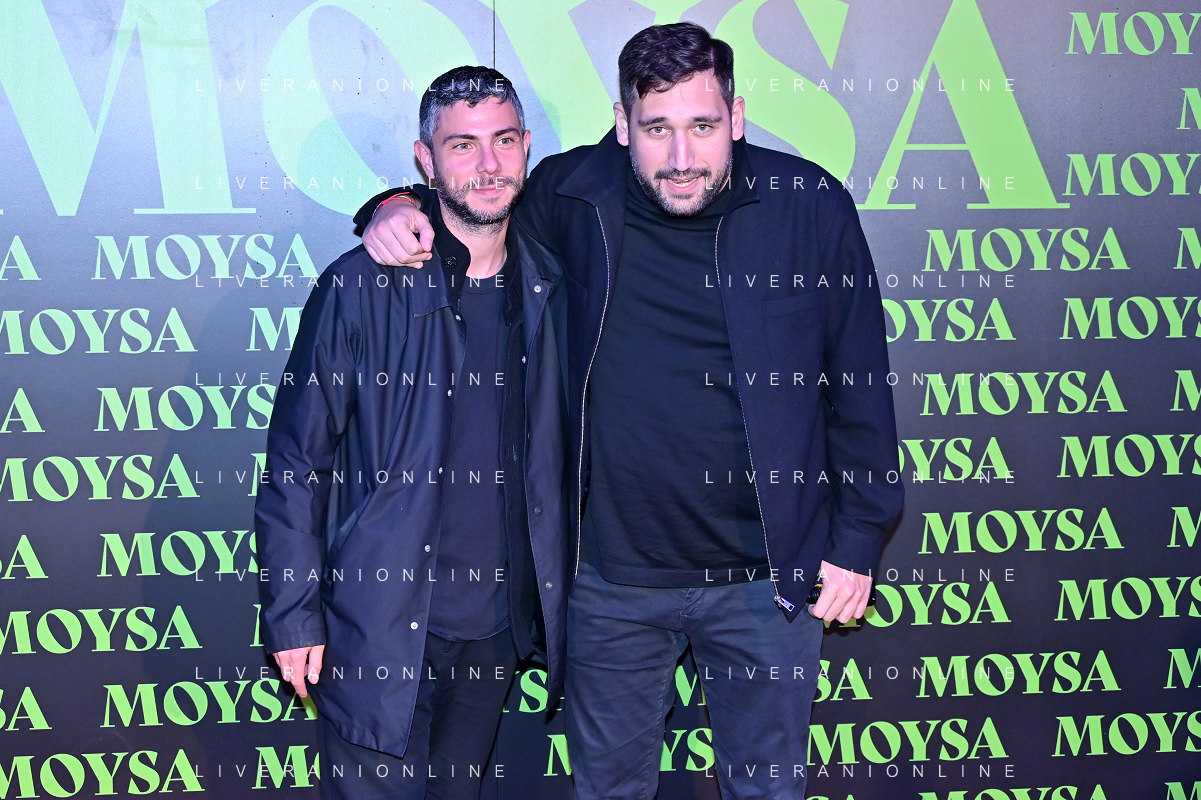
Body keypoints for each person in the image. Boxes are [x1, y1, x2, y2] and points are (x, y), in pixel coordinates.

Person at [357, 23, 903, 800]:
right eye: (656, 129)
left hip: (765, 581)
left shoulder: (808, 206)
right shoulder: (571, 193)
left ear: (736, 117)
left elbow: (859, 387)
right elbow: (475, 199)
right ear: (622, 125)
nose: (681, 157)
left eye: (702, 126)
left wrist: (856, 541)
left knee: (768, 790)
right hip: (610, 581)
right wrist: (392, 205)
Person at [254, 65, 567, 800]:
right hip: (379, 625)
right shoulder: (359, 285)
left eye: (503, 141)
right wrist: (293, 615)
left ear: (525, 147)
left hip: (493, 633)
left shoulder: (552, 283)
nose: (488, 165)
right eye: (462, 146)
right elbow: (297, 463)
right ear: (425, 161)